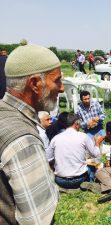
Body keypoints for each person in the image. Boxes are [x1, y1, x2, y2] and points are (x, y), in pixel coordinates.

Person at [0, 43, 64, 224]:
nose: (61, 88)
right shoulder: (24, 141)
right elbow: (38, 220)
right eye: (57, 80)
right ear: (35, 83)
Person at [46, 113, 103, 191]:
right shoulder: (83, 136)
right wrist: (97, 143)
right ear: (76, 124)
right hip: (79, 180)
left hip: (60, 180)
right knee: (92, 166)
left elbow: (48, 159)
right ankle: (90, 182)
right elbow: (96, 154)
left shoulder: (56, 138)